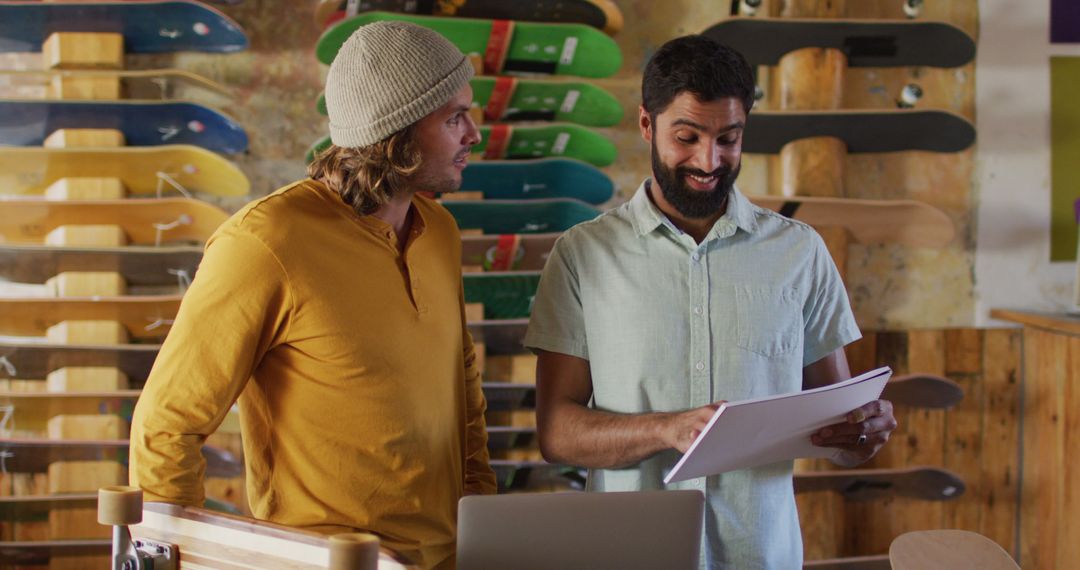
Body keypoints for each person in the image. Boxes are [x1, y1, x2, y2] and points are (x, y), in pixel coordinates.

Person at [130, 21, 496, 569]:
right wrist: (170, 560)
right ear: (394, 136)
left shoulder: (438, 230)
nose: (474, 134)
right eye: (453, 118)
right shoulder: (265, 242)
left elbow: (461, 387)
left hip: (446, 557)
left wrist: (483, 528)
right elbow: (167, 424)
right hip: (322, 559)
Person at [524, 35, 897, 569]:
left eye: (729, 138)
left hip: (758, 557)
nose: (709, 159)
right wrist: (666, 428)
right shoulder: (583, 254)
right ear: (647, 126)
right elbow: (557, 434)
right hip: (628, 556)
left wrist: (862, 435)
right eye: (687, 136)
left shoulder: (799, 252)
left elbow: (839, 426)